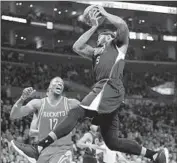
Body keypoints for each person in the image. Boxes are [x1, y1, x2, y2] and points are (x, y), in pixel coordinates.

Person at [11, 5, 169, 163]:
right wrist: (94, 26)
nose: (99, 38)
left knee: (75, 113)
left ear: (110, 37)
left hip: (109, 87)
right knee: (112, 142)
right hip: (106, 92)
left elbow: (122, 25)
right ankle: (154, 155)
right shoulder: (96, 53)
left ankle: (38, 148)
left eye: (102, 36)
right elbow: (77, 47)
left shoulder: (118, 46)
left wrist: (105, 14)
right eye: (98, 37)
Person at [10, 77, 80, 163]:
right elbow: (14, 115)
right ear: (49, 87)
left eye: (62, 83)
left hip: (63, 149)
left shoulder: (71, 103)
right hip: (44, 150)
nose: (60, 84)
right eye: (57, 82)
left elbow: (90, 111)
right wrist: (22, 99)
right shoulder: (38, 103)